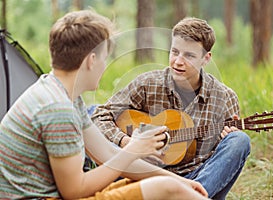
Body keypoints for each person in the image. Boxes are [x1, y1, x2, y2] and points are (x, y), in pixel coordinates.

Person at [0, 10, 209, 199]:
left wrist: (180, 180)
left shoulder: (62, 94)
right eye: (105, 58)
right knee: (166, 189)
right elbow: (74, 191)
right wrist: (134, 150)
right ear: (91, 60)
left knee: (168, 184)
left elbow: (107, 154)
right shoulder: (57, 108)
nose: (105, 66)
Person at [91, 17, 251, 200]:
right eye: (174, 52)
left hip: (197, 179)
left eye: (189, 56)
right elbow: (100, 114)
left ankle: (191, 196)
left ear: (206, 58)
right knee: (99, 128)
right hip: (147, 176)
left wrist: (227, 136)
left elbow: (222, 159)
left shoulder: (225, 97)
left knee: (239, 140)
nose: (178, 61)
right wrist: (126, 142)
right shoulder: (147, 83)